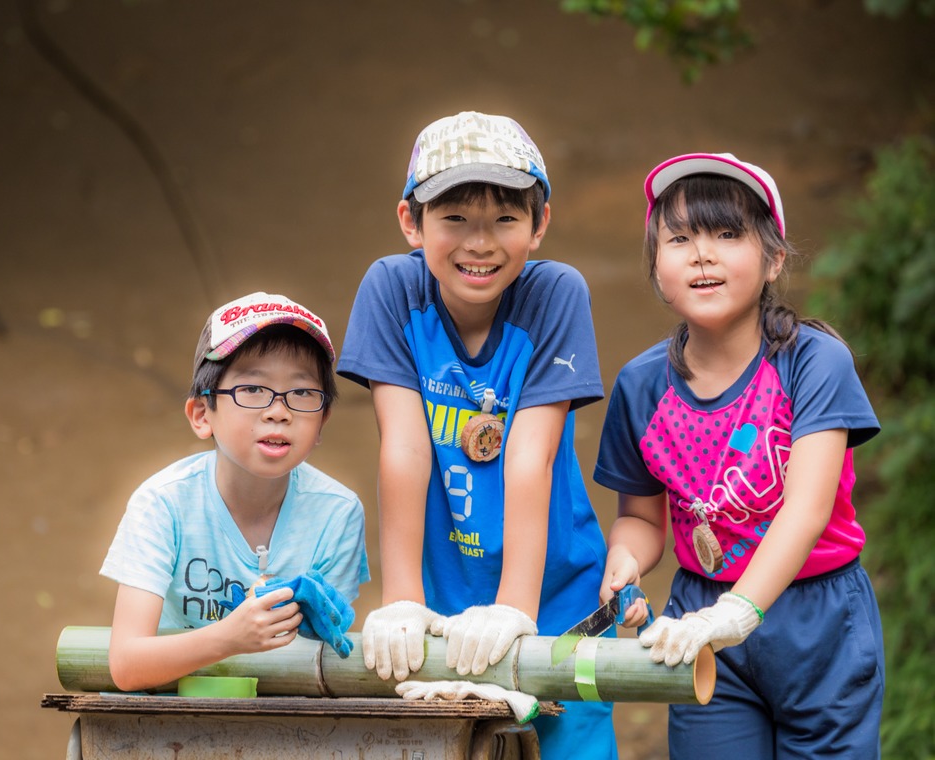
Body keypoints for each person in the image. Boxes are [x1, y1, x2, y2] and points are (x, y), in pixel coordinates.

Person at [338, 111, 615, 756]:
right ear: (412, 221)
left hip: (553, 592)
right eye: (455, 218)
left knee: (568, 745)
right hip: (442, 592)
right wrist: (402, 600)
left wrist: (516, 609)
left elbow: (530, 455)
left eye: (505, 220)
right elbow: (404, 447)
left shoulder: (556, 294)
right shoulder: (392, 289)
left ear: (539, 224)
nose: (480, 243)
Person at [594, 153, 884, 758]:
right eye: (680, 238)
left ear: (774, 257)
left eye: (727, 234)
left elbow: (806, 510)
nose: (703, 253)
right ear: (656, 265)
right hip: (700, 620)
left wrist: (740, 610)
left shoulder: (813, 363)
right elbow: (643, 518)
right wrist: (625, 559)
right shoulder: (641, 386)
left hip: (819, 621)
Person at [100, 292, 370, 692]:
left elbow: (324, 655)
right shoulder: (162, 503)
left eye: (301, 393)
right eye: (253, 389)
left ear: (323, 420)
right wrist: (228, 638)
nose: (279, 410)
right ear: (202, 414)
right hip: (170, 718)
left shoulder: (338, 512)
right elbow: (125, 663)